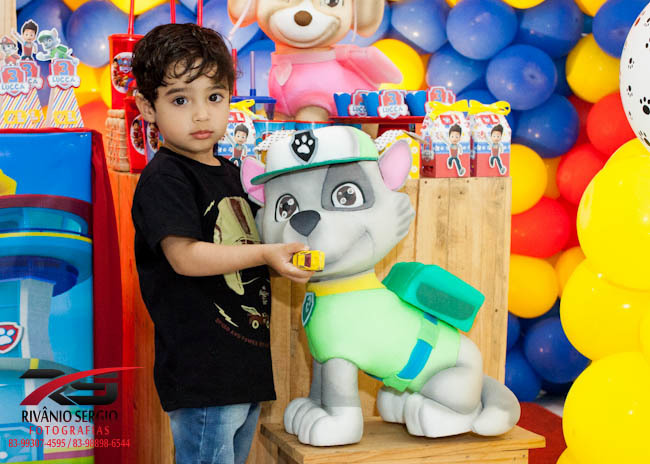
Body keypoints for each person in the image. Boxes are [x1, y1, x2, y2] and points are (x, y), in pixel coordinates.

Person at [130, 23, 313, 464]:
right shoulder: (165, 178)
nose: (201, 115)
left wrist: (283, 254)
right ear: (147, 107)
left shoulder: (231, 172)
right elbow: (185, 257)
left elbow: (244, 245)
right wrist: (266, 254)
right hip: (201, 373)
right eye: (180, 100)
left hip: (242, 365)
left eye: (214, 97)